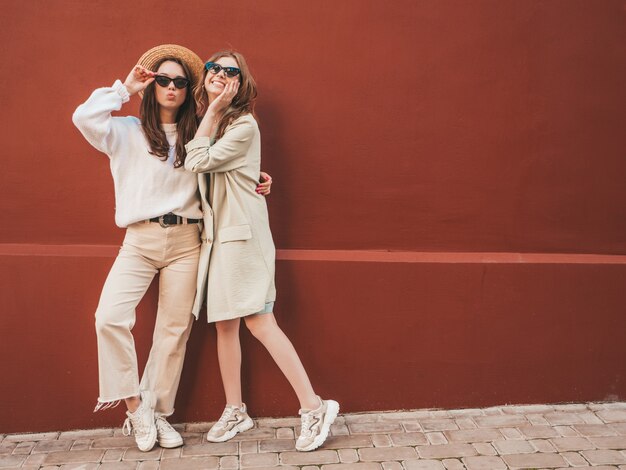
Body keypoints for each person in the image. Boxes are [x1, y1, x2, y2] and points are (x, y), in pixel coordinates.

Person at [72, 44, 272, 452]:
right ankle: (136, 408)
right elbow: (83, 117)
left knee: (173, 332)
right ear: (152, 85)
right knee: (108, 317)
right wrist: (124, 87)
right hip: (139, 239)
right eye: (162, 79)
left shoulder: (199, 131)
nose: (171, 87)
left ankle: (159, 414)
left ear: (188, 89)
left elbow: (225, 163)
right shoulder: (124, 130)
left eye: (180, 82)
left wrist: (257, 177)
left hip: (187, 240)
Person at [184, 51, 339, 452]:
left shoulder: (243, 125)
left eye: (229, 71)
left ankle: (314, 406)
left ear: (240, 82)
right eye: (213, 68)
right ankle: (235, 409)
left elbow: (197, 160)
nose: (220, 73)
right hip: (218, 241)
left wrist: (216, 109)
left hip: (243, 238)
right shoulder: (214, 123)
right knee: (225, 326)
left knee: (259, 321)